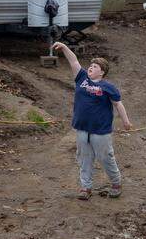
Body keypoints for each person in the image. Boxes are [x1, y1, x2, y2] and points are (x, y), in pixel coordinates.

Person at [52, 41, 133, 200]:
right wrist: (64, 47)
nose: (91, 67)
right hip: (82, 128)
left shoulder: (108, 87)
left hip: (100, 131)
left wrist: (126, 122)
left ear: (102, 72)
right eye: (90, 65)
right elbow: (74, 61)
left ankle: (116, 183)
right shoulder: (81, 78)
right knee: (84, 158)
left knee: (105, 157)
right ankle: (86, 187)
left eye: (95, 67)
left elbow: (118, 104)